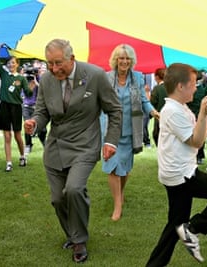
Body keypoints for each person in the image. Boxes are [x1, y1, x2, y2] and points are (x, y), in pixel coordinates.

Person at [24, 39, 122, 263]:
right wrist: (34, 123)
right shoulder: (47, 79)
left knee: (75, 189)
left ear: (72, 59)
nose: (54, 68)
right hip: (56, 146)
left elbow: (114, 110)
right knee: (58, 199)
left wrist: (111, 141)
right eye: (49, 63)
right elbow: (41, 112)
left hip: (85, 144)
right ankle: (71, 233)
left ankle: (79, 240)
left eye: (59, 63)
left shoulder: (95, 76)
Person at [146, 63, 207, 266]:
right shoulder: (172, 110)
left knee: (174, 225)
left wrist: (206, 118)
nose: (196, 88)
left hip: (178, 173)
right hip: (182, 175)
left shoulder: (179, 108)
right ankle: (192, 228)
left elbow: (197, 140)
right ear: (181, 86)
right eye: (193, 84)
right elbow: (196, 142)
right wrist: (204, 118)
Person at [102, 44, 158, 221]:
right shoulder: (106, 78)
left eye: (127, 58)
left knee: (124, 169)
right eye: (121, 58)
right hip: (110, 129)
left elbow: (143, 100)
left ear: (131, 61)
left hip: (130, 128)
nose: (124, 61)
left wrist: (153, 112)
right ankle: (117, 206)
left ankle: (121, 193)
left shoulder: (138, 78)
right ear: (115, 60)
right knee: (113, 166)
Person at [0, 43, 31, 172]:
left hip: (16, 107)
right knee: (7, 136)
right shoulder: (4, 75)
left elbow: (28, 93)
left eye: (13, 63)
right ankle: (8, 162)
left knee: (17, 135)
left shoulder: (21, 78)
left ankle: (22, 156)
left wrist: (33, 85)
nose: (11, 65)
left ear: (17, 64)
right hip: (4, 106)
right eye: (9, 63)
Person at [22, 64, 47, 154]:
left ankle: (44, 142)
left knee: (42, 128)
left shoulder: (40, 79)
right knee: (27, 125)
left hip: (37, 107)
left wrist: (36, 81)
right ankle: (28, 145)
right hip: (26, 107)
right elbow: (24, 92)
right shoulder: (24, 79)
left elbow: (45, 90)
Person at [187, 71, 207, 164]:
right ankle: (199, 156)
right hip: (199, 115)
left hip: (193, 115)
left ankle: (196, 156)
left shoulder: (192, 90)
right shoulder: (203, 89)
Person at [150, 67, 166, 147]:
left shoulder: (157, 89)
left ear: (156, 77)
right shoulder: (172, 87)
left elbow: (152, 103)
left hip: (159, 116)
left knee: (157, 135)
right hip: (172, 116)